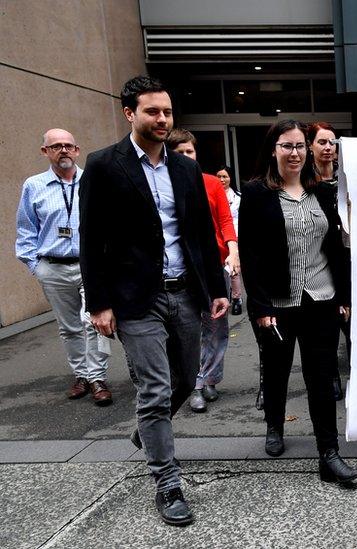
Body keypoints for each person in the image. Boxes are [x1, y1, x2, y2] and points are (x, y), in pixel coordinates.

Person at [79, 75, 229, 526]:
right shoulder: (104, 165)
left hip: (184, 291)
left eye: (167, 112)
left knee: (186, 378)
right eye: (152, 112)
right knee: (156, 388)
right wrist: (99, 303)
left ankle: (149, 426)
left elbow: (200, 233)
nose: (162, 119)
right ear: (130, 113)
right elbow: (92, 239)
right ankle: (168, 482)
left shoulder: (185, 169)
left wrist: (216, 290)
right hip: (135, 299)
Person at [237, 119, 357, 484]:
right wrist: (259, 307)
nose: (295, 154)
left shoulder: (322, 191)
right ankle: (274, 426)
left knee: (322, 377)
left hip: (320, 298)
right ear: (273, 150)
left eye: (300, 147)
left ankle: (329, 454)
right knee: (275, 370)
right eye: (287, 146)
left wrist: (343, 296)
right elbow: (252, 254)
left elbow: (336, 249)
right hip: (277, 302)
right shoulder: (257, 193)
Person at [16, 128, 113, 406]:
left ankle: (97, 377)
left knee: (95, 322)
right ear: (45, 151)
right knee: (69, 327)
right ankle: (81, 375)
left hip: (90, 267)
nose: (63, 151)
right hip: (52, 267)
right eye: (56, 146)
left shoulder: (93, 181)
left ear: (77, 150)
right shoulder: (33, 186)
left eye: (68, 145)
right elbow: (25, 230)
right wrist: (36, 266)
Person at [166, 128, 239, 412]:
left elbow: (225, 221)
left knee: (217, 329)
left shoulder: (210, 183)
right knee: (189, 331)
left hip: (212, 268)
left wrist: (233, 251)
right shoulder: (164, 184)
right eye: (179, 152)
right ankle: (193, 384)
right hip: (182, 271)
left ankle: (209, 378)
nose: (186, 156)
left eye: (190, 151)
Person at [307, 121, 349, 401]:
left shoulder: (346, 178)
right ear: (310, 147)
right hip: (319, 261)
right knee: (327, 327)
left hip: (347, 256)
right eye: (322, 142)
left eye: (332, 142)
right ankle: (332, 375)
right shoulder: (305, 183)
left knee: (353, 323)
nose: (328, 148)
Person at [216, 165, 244, 315]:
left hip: (235, 237)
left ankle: (236, 299)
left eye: (225, 176)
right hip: (218, 238)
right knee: (220, 270)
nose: (221, 179)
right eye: (219, 176)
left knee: (234, 270)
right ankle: (222, 296)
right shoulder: (212, 195)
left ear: (230, 178)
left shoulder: (238, 197)